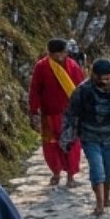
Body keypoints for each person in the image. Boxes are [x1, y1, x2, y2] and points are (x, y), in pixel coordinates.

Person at [66, 59, 110, 217]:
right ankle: (99, 204)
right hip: (90, 137)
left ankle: (107, 198)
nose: (106, 82)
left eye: (108, 78)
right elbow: (71, 115)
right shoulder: (82, 91)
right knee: (97, 170)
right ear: (94, 76)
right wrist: (69, 137)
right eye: (102, 79)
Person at [27, 37, 83, 186]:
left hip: (69, 114)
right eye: (56, 54)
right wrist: (33, 110)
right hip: (49, 113)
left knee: (71, 144)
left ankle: (71, 175)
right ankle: (56, 172)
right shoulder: (41, 67)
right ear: (49, 53)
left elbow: (81, 88)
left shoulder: (73, 66)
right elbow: (35, 89)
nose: (60, 56)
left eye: (62, 53)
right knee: (51, 145)